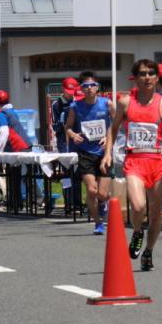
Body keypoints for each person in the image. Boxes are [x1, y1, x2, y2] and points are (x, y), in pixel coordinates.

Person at [101, 59, 162, 271]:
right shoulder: (125, 102)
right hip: (134, 161)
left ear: (157, 78)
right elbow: (113, 129)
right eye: (142, 74)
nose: (147, 77)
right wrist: (107, 153)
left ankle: (148, 251)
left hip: (156, 162)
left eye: (150, 73)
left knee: (156, 214)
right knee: (138, 206)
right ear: (136, 78)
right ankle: (138, 231)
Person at [65, 74, 114, 234]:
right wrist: (73, 135)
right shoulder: (75, 106)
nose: (89, 88)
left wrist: (108, 138)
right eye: (85, 86)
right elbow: (68, 127)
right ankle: (98, 223)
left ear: (98, 87)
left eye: (92, 85)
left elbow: (116, 124)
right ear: (81, 89)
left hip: (104, 153)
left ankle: (102, 203)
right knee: (91, 190)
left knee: (102, 193)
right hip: (85, 152)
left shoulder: (107, 104)